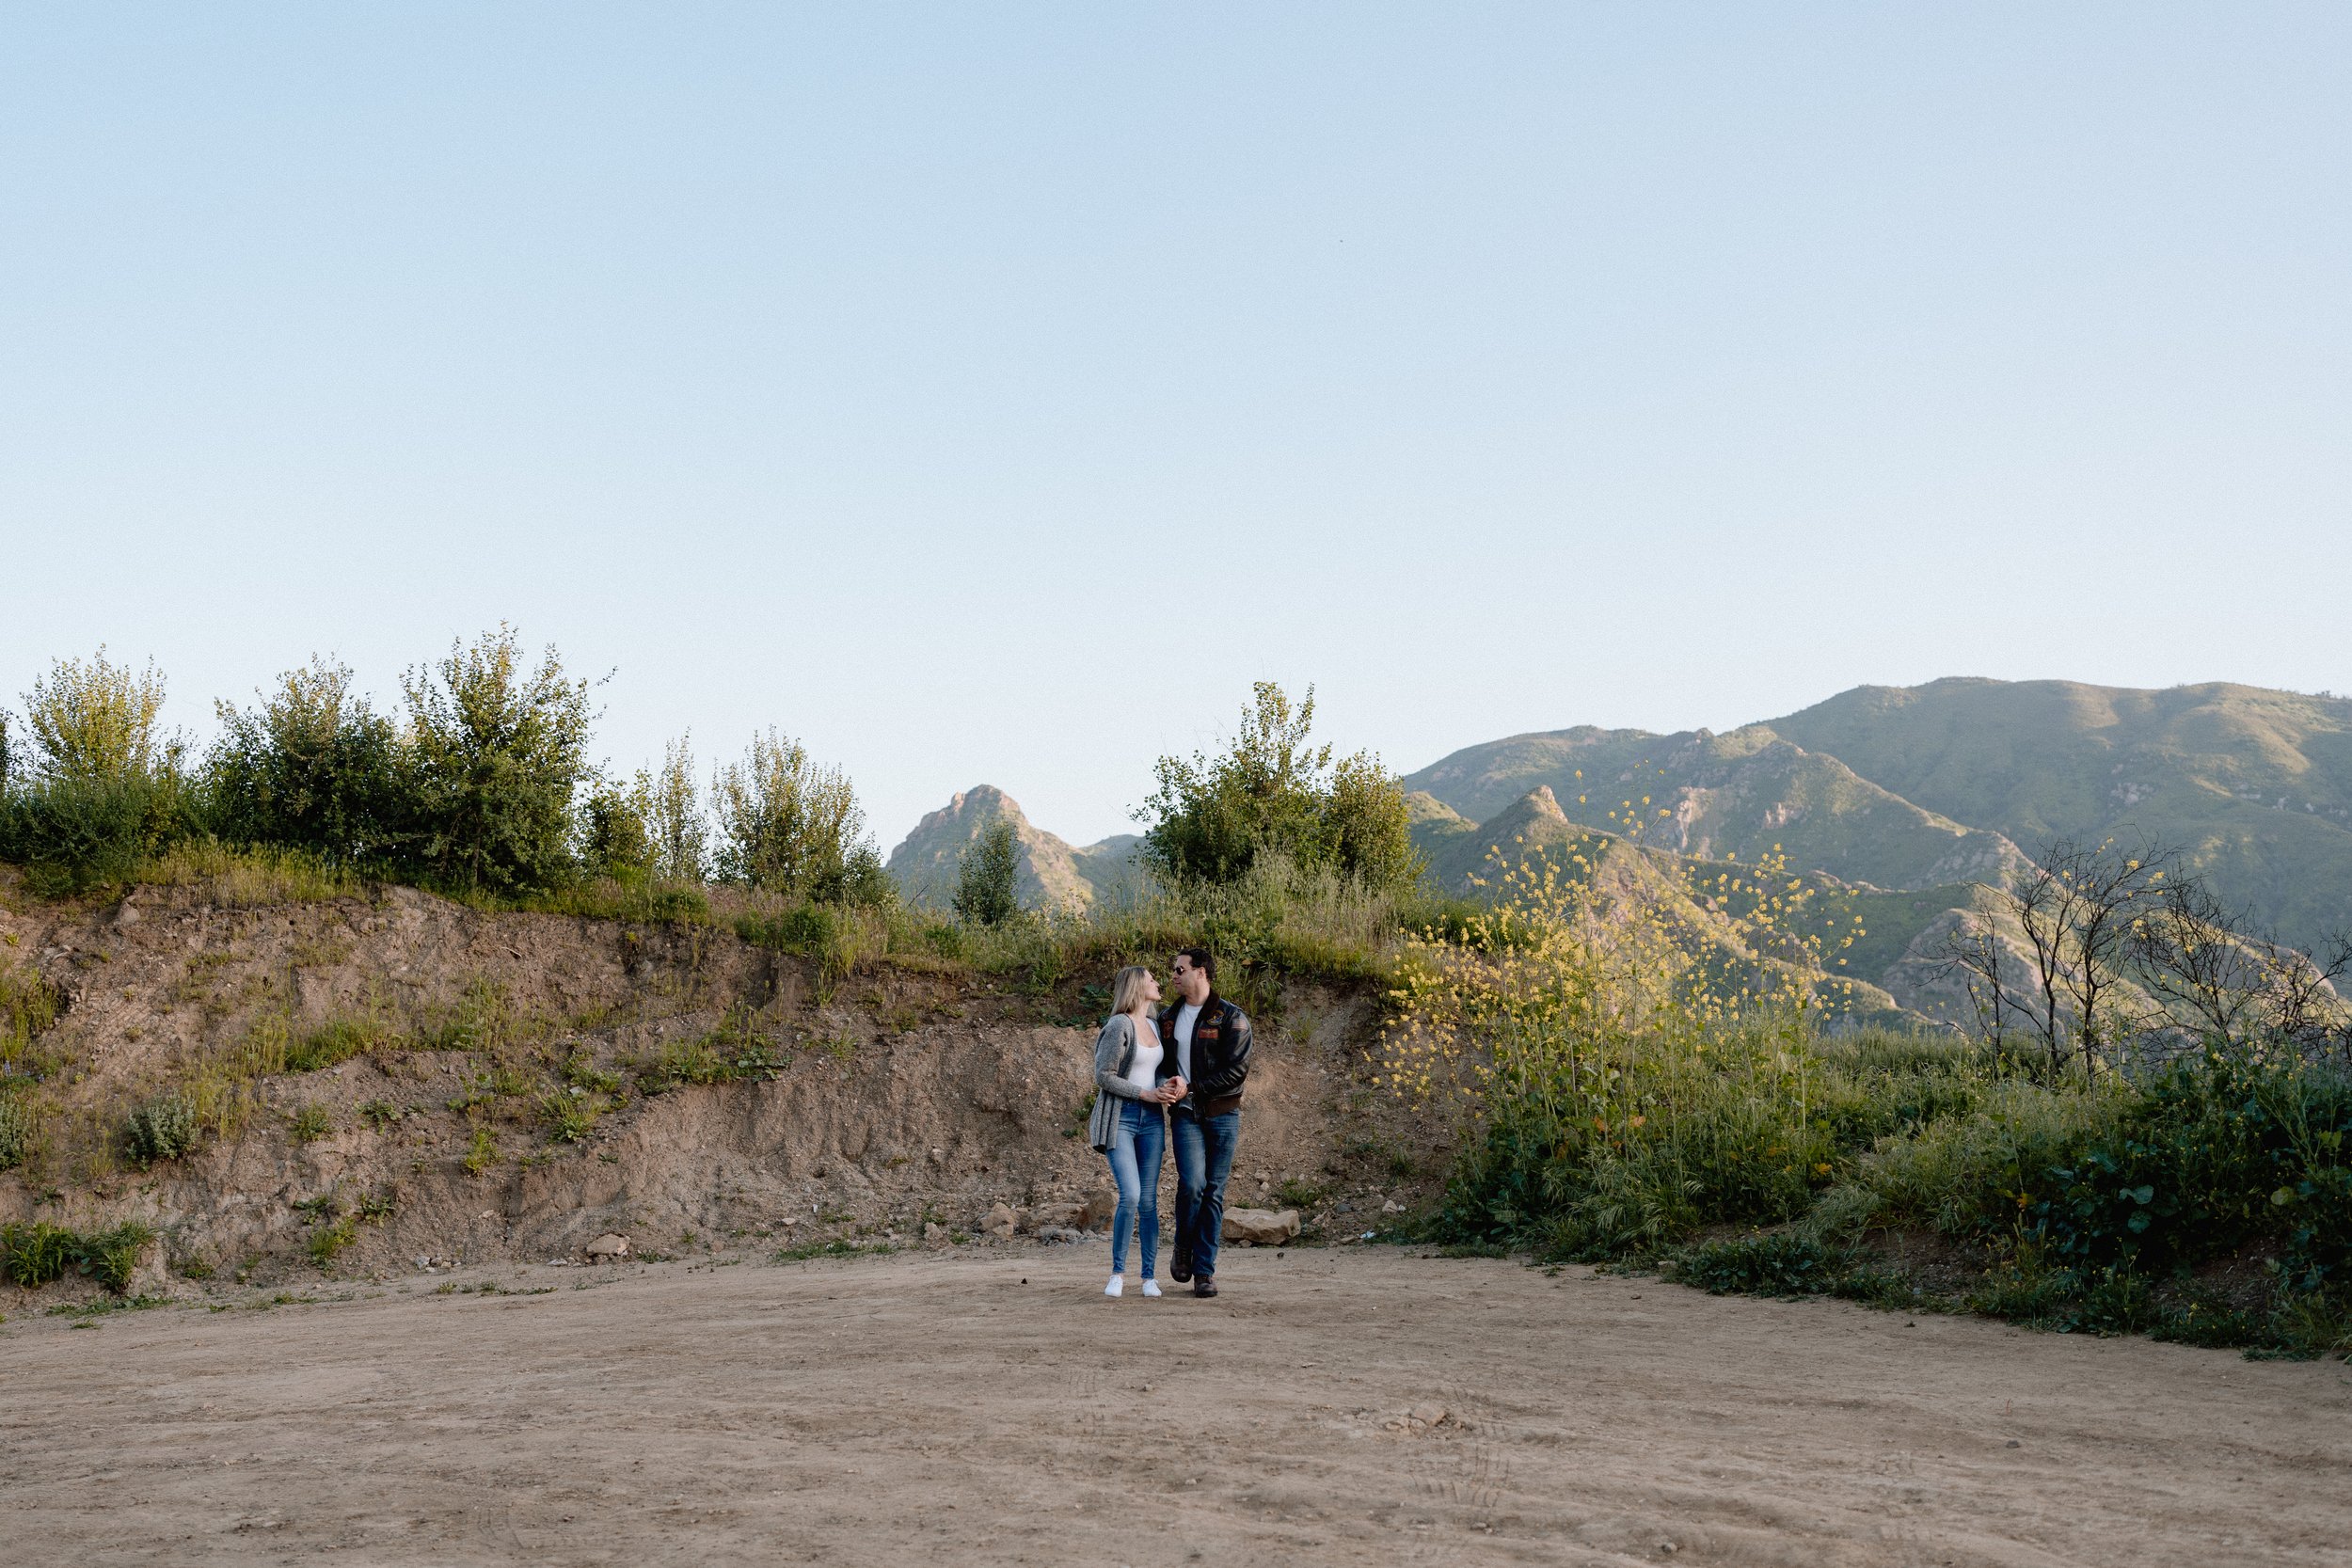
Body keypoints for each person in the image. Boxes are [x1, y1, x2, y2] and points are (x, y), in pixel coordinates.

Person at [1088, 964, 1185, 1298]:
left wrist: (1165, 1086)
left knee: (1148, 1202)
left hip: (1152, 1121)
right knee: (1130, 1195)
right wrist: (1145, 1094)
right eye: (1152, 980)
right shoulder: (1119, 1025)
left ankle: (1148, 1278)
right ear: (1136, 986)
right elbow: (1104, 1075)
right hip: (1123, 1118)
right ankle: (1117, 1273)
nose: (1159, 983)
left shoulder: (1155, 1026)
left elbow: (1154, 1071)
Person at [1160, 947, 1251, 1298]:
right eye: (1173, 969)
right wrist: (1167, 1084)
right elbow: (1163, 1063)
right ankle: (1183, 1245)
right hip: (1185, 1115)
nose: (1173, 975)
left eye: (1179, 969)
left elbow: (1237, 1072)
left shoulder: (1231, 1018)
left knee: (1213, 1190)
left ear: (1201, 972)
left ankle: (1204, 1271)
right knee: (1192, 1185)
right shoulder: (1168, 1017)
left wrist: (1193, 1088)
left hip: (1222, 1114)